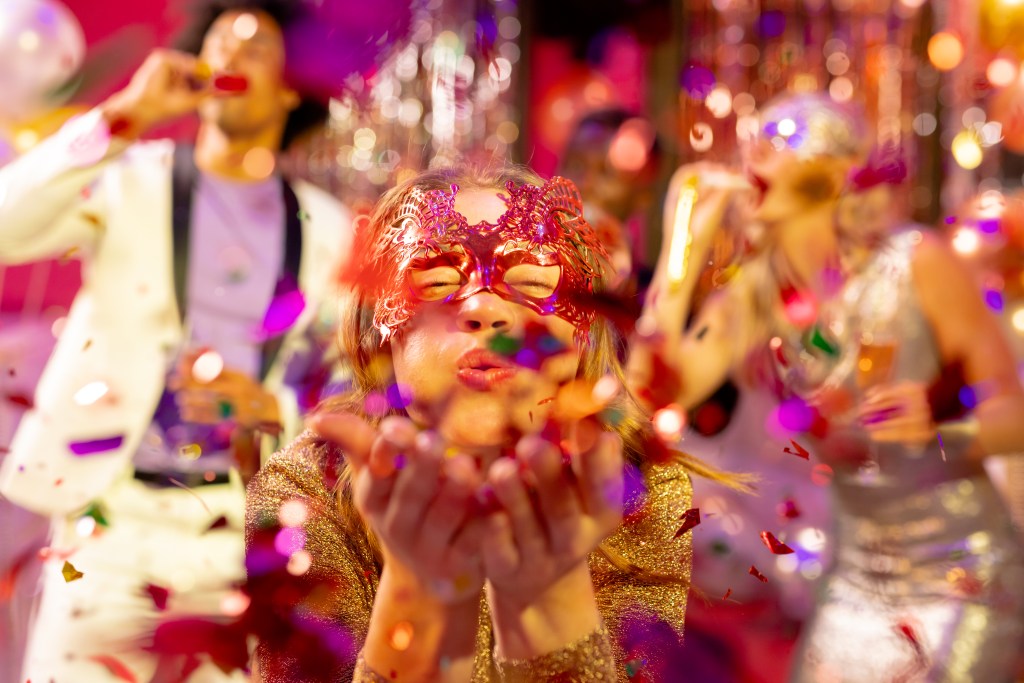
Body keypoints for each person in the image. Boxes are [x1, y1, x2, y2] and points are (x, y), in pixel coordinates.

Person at [245, 164, 749, 682]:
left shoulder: (635, 488)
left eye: (532, 282)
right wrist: (412, 597)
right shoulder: (305, 490)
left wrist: (554, 604)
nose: (486, 311)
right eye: (437, 280)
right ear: (382, 333)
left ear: (580, 333)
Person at [0, 0, 353, 680]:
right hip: (107, 524)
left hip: (241, 533)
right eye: (217, 41)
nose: (229, 56)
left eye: (253, 45)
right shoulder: (132, 176)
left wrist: (272, 407)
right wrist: (123, 115)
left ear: (288, 86)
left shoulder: (327, 227)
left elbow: (344, 385)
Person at [628, 91, 1024, 681]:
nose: (755, 151)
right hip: (857, 579)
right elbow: (650, 397)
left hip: (961, 572)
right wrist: (681, 253)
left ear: (834, 176)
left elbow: (1013, 415)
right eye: (754, 141)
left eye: (783, 137)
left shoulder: (917, 262)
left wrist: (938, 436)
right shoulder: (752, 298)